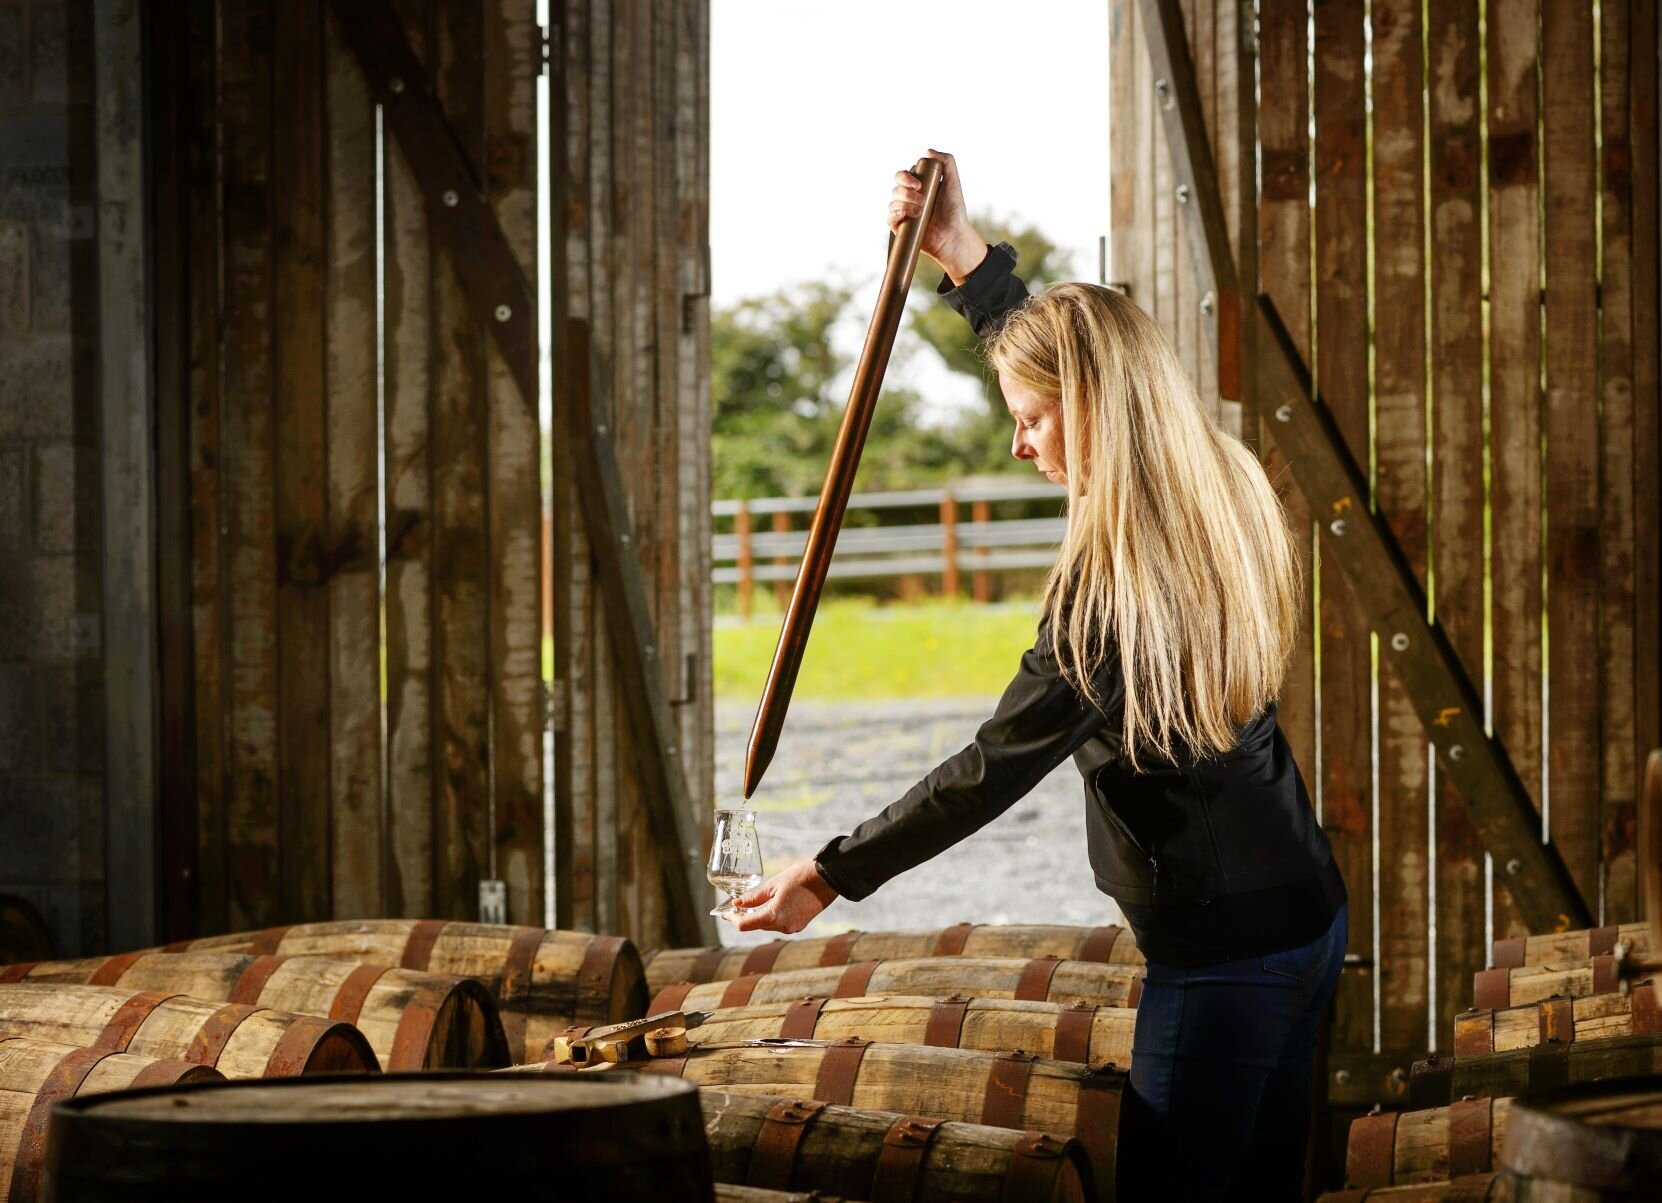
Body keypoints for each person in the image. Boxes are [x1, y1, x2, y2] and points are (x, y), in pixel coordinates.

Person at [727, 149, 1348, 1201]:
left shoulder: (1112, 595)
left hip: (1224, 962)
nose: (1018, 445)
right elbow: (1075, 356)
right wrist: (964, 259)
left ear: (1096, 411)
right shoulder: (1216, 478)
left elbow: (989, 771)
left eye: (1031, 419)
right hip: (1308, 911)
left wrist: (829, 873)